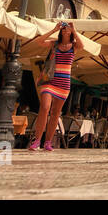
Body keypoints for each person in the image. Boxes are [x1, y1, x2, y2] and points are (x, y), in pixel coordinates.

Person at [27, 22, 76, 152]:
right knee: (44, 107)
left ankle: (47, 142)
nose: (66, 30)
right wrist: (54, 29)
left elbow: (82, 45)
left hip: (64, 84)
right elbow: (39, 41)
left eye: (68, 29)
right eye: (64, 28)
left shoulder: (74, 46)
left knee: (55, 113)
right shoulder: (54, 44)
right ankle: (37, 141)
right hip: (49, 81)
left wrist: (74, 30)